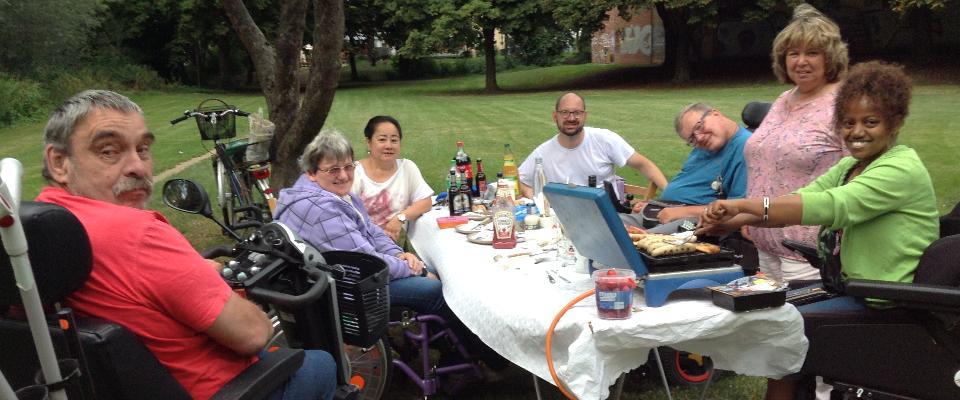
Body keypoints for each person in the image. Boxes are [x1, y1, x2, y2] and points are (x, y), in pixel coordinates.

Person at [37, 90, 336, 400]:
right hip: (226, 389)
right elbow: (253, 335)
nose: (137, 167)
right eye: (109, 151)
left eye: (142, 149)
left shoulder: (35, 234)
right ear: (59, 162)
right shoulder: (138, 233)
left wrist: (192, 275)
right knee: (320, 364)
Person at [699, 61, 940, 400]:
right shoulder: (850, 166)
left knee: (780, 327)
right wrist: (733, 220)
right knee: (771, 313)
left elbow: (828, 206)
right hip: (853, 290)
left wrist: (742, 206)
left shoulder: (900, 169)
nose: (857, 132)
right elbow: (798, 200)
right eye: (848, 122)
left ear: (895, 122)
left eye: (871, 122)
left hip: (887, 302)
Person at [742, 3, 850, 283]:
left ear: (830, 57)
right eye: (793, 53)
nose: (801, 61)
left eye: (812, 53)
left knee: (802, 324)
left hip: (807, 251)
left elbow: (859, 176)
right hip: (764, 244)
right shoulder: (782, 100)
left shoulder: (845, 104)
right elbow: (763, 162)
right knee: (770, 323)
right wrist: (748, 214)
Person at [518, 92, 668, 199]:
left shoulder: (604, 139)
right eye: (565, 112)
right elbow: (516, 179)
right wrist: (537, 199)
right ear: (555, 116)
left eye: (577, 112)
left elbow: (644, 165)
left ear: (585, 116)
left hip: (605, 216)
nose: (571, 118)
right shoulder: (543, 152)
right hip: (560, 219)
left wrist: (671, 196)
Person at [627, 103, 751, 230]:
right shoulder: (704, 147)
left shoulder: (746, 149)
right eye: (692, 139)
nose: (699, 137)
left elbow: (739, 209)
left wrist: (682, 212)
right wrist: (655, 205)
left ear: (716, 114)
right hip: (661, 214)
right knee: (608, 226)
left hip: (697, 222)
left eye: (699, 126)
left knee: (634, 241)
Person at [352, 115, 433, 243]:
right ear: (369, 142)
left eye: (394, 140)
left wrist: (400, 218)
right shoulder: (354, 172)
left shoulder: (407, 168)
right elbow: (346, 214)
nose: (389, 146)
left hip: (395, 248)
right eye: (382, 140)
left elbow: (425, 201)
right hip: (361, 244)